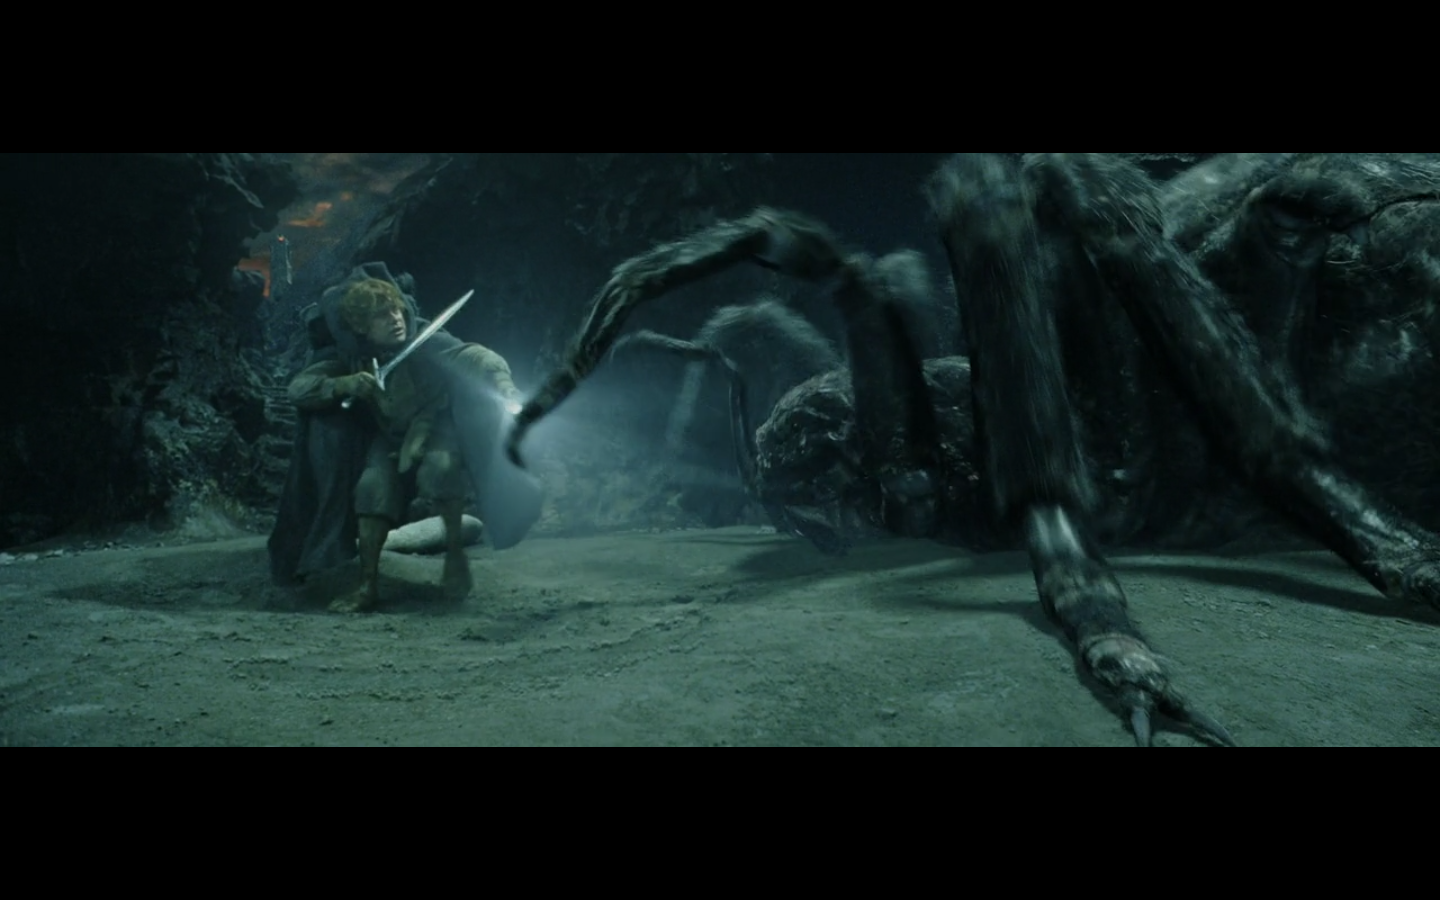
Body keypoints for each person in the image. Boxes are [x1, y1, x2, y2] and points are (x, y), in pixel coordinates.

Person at [268, 262, 540, 613]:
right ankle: (367, 585)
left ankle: (455, 561)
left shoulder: (426, 340)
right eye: (382, 316)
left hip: (436, 429)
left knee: (441, 471)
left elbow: (473, 355)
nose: (395, 319)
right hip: (388, 437)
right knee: (372, 489)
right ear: (361, 326)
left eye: (396, 310)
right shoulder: (351, 358)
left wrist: (504, 385)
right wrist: (343, 385)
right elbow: (300, 388)